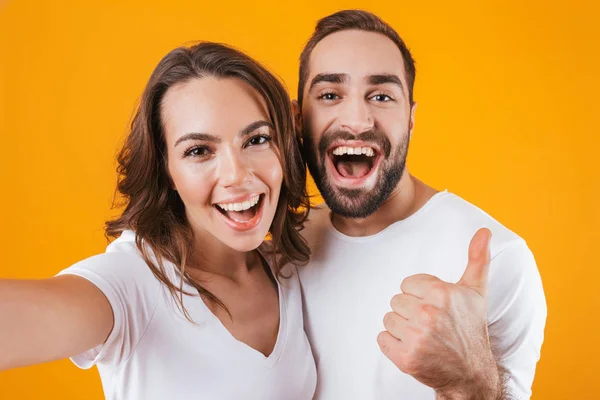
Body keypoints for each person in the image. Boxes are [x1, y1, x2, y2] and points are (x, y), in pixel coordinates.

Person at [0, 42, 316, 400]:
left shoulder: (290, 266)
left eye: (257, 139)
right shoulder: (134, 281)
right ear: (166, 171)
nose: (236, 175)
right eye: (199, 151)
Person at [294, 10, 547, 400]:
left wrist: (471, 382)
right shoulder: (280, 245)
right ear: (298, 119)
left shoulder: (498, 259)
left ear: (410, 118)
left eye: (381, 96)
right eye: (329, 95)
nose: (358, 120)